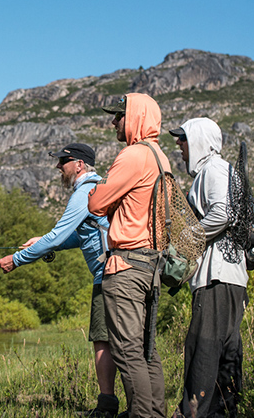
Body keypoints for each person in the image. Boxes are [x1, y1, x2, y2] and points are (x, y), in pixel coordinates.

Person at [0, 142, 119, 418]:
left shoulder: (85, 191)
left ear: (79, 165)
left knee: (103, 341)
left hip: (108, 275)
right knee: (117, 341)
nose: (58, 167)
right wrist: (45, 244)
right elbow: (81, 235)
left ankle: (107, 407)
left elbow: (60, 233)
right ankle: (124, 407)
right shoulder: (95, 188)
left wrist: (17, 259)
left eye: (63, 161)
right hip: (114, 272)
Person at [88, 93, 168, 418]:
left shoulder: (133, 155)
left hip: (125, 266)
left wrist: (101, 194)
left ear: (134, 117)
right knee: (147, 349)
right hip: (151, 265)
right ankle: (156, 413)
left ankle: (143, 415)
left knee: (127, 350)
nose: (113, 122)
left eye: (119, 116)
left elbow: (95, 204)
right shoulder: (161, 156)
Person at [169, 118, 249, 418]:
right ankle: (222, 411)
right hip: (231, 278)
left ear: (200, 140)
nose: (179, 144)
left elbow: (223, 212)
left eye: (184, 138)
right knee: (226, 353)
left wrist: (190, 236)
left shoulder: (213, 169)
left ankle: (192, 413)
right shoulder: (223, 170)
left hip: (216, 278)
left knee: (203, 350)